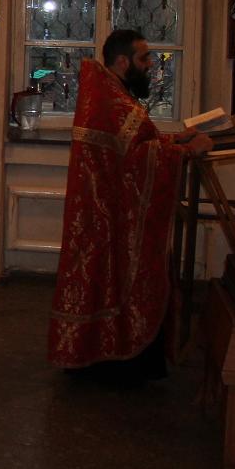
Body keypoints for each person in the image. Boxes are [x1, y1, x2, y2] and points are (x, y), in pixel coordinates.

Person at [48, 29, 212, 386]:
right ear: (123, 62)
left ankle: (92, 355)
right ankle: (116, 363)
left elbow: (138, 145)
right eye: (144, 58)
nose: (150, 64)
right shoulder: (114, 100)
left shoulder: (109, 92)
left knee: (101, 280)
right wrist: (186, 150)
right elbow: (138, 159)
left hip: (103, 209)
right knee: (115, 279)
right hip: (110, 213)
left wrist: (173, 140)